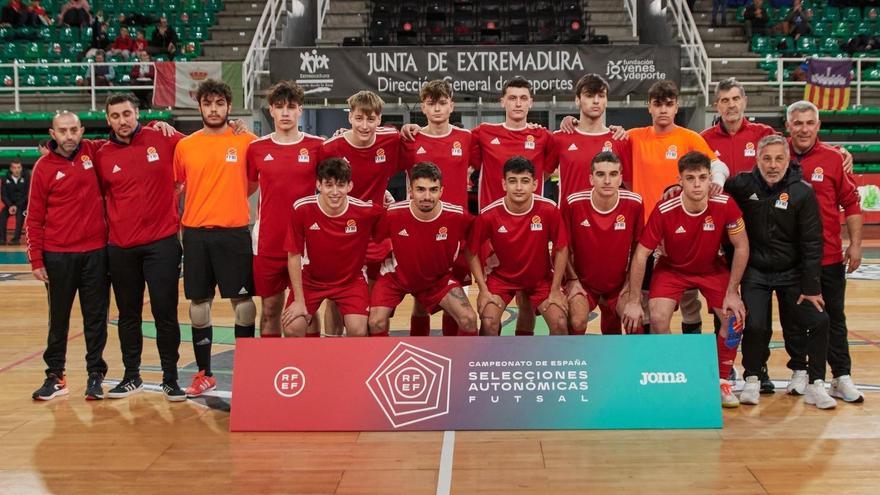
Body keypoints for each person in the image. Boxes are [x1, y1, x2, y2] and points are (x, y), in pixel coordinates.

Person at [621, 151, 749, 408]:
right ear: (680, 180)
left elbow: (742, 246)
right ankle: (671, 374)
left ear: (710, 177)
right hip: (672, 269)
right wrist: (635, 300)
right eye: (690, 178)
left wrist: (733, 291)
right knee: (656, 317)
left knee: (734, 320)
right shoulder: (665, 209)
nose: (698, 184)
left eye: (703, 177)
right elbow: (641, 255)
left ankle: (722, 379)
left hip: (712, 268)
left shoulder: (725, 204)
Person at [725, 135, 835, 409]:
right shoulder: (740, 185)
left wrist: (811, 287)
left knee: (818, 321)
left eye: (779, 158)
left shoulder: (803, 192)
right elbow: (711, 192)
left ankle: (814, 382)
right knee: (756, 324)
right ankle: (752, 377)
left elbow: (812, 241)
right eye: (767, 158)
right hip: (756, 272)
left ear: (788, 160)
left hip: (792, 273)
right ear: (757, 159)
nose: (773, 165)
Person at [94, 93, 185, 401]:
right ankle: (131, 375)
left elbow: (201, 147)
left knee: (165, 313)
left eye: (127, 114)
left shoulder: (161, 137)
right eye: (116, 116)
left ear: (138, 114)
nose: (122, 121)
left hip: (162, 244)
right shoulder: (101, 154)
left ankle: (170, 379)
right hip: (121, 248)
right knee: (128, 314)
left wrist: (236, 128)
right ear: (108, 120)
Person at [173, 79, 258, 397]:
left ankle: (247, 372)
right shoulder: (186, 145)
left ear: (228, 106)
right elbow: (177, 186)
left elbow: (252, 182)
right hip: (195, 234)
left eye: (219, 103)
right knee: (198, 305)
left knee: (244, 304)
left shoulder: (247, 140)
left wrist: (230, 200)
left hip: (234, 233)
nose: (213, 109)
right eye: (207, 103)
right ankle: (203, 373)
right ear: (199, 107)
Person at [627, 80, 730, 334]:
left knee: (688, 300)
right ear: (649, 107)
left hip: (685, 230)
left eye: (669, 104)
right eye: (657, 104)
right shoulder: (633, 137)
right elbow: (603, 143)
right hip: (647, 232)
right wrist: (571, 123)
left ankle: (690, 355)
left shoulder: (689, 137)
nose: (663, 109)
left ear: (676, 107)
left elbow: (718, 166)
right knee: (650, 299)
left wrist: (716, 182)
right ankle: (656, 358)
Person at [785, 100, 864, 403]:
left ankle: (841, 375)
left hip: (829, 255)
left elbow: (852, 204)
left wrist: (855, 244)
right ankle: (800, 371)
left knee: (834, 317)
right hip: (791, 258)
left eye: (809, 123)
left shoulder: (834, 159)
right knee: (794, 318)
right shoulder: (777, 157)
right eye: (798, 123)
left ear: (818, 126)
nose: (803, 129)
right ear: (788, 126)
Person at [27, 111, 109, 401]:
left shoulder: (94, 151)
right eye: (63, 131)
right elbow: (34, 218)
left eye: (74, 129)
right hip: (58, 255)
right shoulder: (42, 168)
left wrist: (158, 125)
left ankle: (96, 376)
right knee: (58, 319)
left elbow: (128, 134)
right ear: (53, 134)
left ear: (82, 130)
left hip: (96, 253)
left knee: (95, 318)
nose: (69, 135)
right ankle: (55, 376)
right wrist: (36, 260)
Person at [319, 90, 403, 335]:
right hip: (340, 232)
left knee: (374, 302)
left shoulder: (391, 139)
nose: (364, 125)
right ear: (350, 118)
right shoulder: (331, 147)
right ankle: (332, 355)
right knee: (335, 297)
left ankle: (371, 358)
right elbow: (322, 187)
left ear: (379, 119)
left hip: (376, 231)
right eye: (358, 118)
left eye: (371, 119)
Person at [246, 81, 324, 337]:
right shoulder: (256, 149)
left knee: (308, 313)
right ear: (271, 110)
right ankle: (271, 371)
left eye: (291, 107)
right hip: (268, 242)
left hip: (306, 244)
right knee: (269, 310)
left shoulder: (317, 146)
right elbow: (248, 187)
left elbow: (336, 182)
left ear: (300, 110)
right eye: (280, 107)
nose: (285, 112)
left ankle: (312, 369)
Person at [399, 79, 473, 336]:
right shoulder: (411, 139)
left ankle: (452, 357)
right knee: (421, 303)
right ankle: (421, 351)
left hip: (457, 235)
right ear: (423, 107)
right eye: (432, 104)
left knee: (456, 302)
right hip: (421, 234)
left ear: (451, 106)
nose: (438, 109)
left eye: (443, 103)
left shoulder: (466, 138)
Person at [369, 162, 477, 337]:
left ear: (441, 190)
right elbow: (373, 240)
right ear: (410, 190)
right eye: (420, 189)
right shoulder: (393, 214)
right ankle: (384, 362)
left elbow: (474, 245)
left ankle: (463, 362)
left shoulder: (458, 216)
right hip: (396, 278)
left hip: (437, 280)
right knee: (376, 322)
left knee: (469, 319)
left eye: (433, 190)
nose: (427, 196)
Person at [281, 157, 384, 337]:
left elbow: (398, 218)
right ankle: (308, 362)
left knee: (358, 330)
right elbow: (293, 255)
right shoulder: (302, 208)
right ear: (319, 185)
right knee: (292, 327)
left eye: (341, 185)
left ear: (350, 186)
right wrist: (298, 300)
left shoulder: (365, 211)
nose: (335, 192)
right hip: (312, 280)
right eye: (329, 185)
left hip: (350, 281)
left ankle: (349, 364)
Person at [467, 156, 569, 336]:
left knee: (560, 322)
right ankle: (488, 361)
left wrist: (555, 290)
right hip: (501, 279)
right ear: (504, 184)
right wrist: (483, 290)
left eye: (525, 181)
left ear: (535, 184)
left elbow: (561, 248)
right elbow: (471, 251)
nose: (519, 187)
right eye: (513, 181)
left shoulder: (549, 209)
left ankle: (555, 362)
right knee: (489, 321)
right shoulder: (489, 215)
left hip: (539, 279)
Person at [562, 152, 643, 335]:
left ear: (620, 178)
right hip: (583, 282)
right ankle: (575, 361)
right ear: (591, 178)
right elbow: (562, 247)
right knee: (577, 321)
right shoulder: (573, 203)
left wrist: (631, 284)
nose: (607, 181)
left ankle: (622, 361)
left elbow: (640, 251)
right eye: (600, 174)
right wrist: (572, 280)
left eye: (613, 174)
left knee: (635, 323)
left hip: (619, 284)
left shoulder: (634, 203)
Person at [549, 73, 631, 199]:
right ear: (577, 100)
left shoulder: (619, 139)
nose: (596, 101)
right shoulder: (560, 138)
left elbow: (630, 185)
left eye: (601, 96)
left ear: (606, 101)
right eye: (589, 95)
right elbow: (540, 176)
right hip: (568, 218)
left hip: (608, 217)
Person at [1, 159, 29, 245]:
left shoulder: (27, 178)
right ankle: (2, 239)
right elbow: (4, 195)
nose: (17, 170)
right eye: (14, 168)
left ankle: (16, 239)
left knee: (20, 216)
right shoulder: (5, 179)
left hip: (22, 205)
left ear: (21, 168)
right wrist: (10, 206)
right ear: (11, 169)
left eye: (19, 167)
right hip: (9, 205)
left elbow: (26, 195)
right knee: (2, 215)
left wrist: (17, 206)